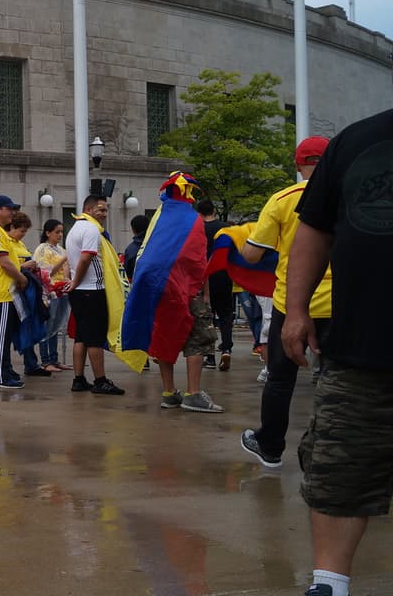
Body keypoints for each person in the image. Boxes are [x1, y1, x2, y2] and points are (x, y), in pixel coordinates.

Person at [274, 108, 392, 596]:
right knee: (339, 468)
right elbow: (314, 231)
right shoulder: (355, 141)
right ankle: (331, 593)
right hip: (360, 349)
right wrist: (295, 311)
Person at [238, 136, 332, 469]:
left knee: (280, 378)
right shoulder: (350, 194)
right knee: (339, 380)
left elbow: (251, 254)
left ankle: (271, 447)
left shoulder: (281, 200)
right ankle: (331, 450)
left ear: (297, 165)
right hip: (340, 303)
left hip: (292, 303)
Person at [122, 173, 223, 413]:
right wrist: (203, 291)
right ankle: (193, 393)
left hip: (156, 290)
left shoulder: (158, 218)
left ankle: (169, 393)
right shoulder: (192, 219)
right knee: (198, 338)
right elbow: (198, 260)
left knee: (164, 334)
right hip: (184, 288)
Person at [65, 195, 127, 395]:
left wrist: (74, 282)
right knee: (94, 338)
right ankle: (100, 381)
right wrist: (75, 281)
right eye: (100, 209)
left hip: (80, 292)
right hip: (91, 290)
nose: (104, 214)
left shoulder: (75, 228)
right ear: (89, 209)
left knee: (81, 336)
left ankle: (79, 379)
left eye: (106, 210)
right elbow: (85, 259)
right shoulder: (91, 229)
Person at [0, 195, 27, 389]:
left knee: (4, 336)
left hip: (6, 291)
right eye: (9, 209)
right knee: (0, 337)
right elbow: (4, 261)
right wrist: (21, 278)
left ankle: (3, 369)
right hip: (2, 291)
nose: (13, 213)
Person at [6, 212, 48, 378]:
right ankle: (6, 366)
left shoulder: (20, 244)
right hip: (11, 292)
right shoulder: (7, 243)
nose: (23, 234)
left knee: (27, 326)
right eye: (21, 230)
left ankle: (31, 364)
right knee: (10, 331)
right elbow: (4, 265)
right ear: (12, 227)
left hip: (25, 291)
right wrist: (24, 266)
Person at [196, 199, 234, 371]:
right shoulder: (226, 228)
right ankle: (226, 348)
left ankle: (210, 356)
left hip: (205, 277)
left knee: (207, 317)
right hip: (224, 274)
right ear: (214, 211)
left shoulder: (198, 230)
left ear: (199, 213)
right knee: (226, 314)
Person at [33, 218, 71, 372]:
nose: (60, 235)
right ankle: (45, 360)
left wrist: (67, 278)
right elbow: (45, 273)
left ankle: (54, 359)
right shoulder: (43, 249)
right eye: (57, 232)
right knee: (47, 325)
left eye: (61, 232)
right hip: (49, 291)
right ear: (48, 233)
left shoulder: (61, 250)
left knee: (57, 325)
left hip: (62, 290)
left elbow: (67, 268)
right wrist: (63, 261)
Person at [122, 214, 148, 282]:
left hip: (136, 285)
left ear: (133, 229)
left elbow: (127, 271)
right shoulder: (156, 245)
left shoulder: (131, 249)